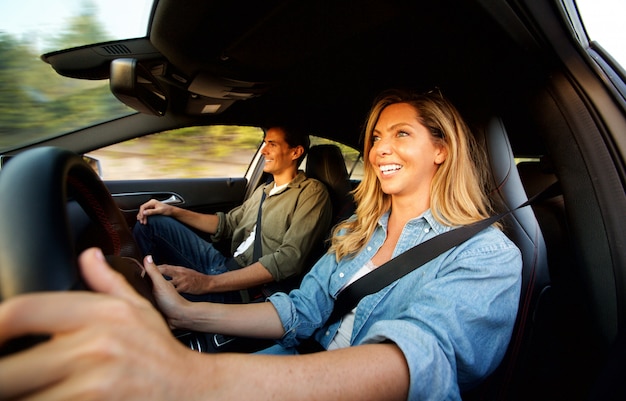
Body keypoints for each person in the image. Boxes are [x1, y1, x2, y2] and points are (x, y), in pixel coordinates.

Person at [0, 89, 522, 401]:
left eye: (401, 134)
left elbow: (417, 358)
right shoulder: (354, 234)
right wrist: (185, 312)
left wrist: (191, 377)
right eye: (376, 136)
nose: (380, 147)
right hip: (294, 357)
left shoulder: (487, 256)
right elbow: (299, 309)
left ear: (441, 150)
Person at [133, 125, 333, 302]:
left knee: (152, 291)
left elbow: (288, 259)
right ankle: (142, 276)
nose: (263, 150)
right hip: (223, 263)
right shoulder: (263, 191)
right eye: (264, 143)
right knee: (153, 221)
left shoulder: (312, 193)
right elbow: (227, 224)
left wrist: (208, 283)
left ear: (295, 152)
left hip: (244, 287)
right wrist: (172, 210)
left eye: (272, 144)